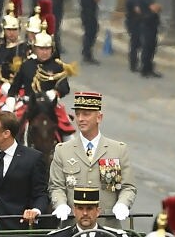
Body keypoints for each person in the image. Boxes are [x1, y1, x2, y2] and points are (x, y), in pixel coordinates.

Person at [49, 92, 136, 226]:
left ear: (99, 118)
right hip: (73, 228)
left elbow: (127, 187)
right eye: (77, 114)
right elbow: (56, 186)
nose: (80, 119)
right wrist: (60, 204)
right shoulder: (63, 150)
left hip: (107, 226)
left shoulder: (117, 150)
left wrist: (122, 204)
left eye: (86, 114)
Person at [48, 187, 130, 237]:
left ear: (98, 211)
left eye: (89, 208)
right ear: (74, 211)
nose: (85, 213)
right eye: (80, 208)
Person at [138, 0, 162, 78]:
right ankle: (144, 70)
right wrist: (155, 9)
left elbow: (156, 8)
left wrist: (157, 8)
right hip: (147, 25)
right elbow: (154, 8)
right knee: (147, 48)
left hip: (153, 26)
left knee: (152, 48)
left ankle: (149, 68)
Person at [80, 0, 101, 64]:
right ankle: (87, 54)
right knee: (91, 31)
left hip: (88, 11)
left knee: (91, 31)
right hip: (89, 12)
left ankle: (86, 52)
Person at [126, 0, 143, 71]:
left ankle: (134, 63)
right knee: (135, 44)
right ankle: (133, 64)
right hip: (135, 24)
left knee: (136, 44)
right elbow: (138, 10)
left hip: (133, 23)